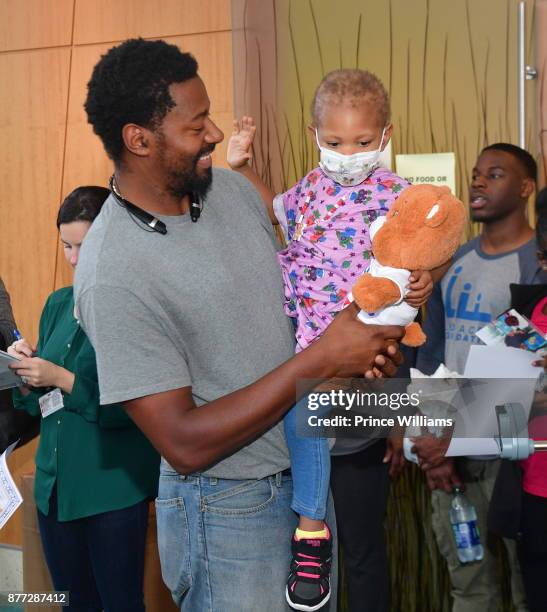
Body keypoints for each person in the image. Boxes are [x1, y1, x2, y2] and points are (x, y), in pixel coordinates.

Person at [75, 38, 405, 612]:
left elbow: (308, 292)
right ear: (139, 140)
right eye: (196, 123)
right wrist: (325, 357)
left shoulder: (228, 192)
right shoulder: (113, 273)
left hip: (309, 484)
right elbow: (181, 443)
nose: (215, 135)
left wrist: (367, 352)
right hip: (224, 511)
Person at [227, 69, 432, 611]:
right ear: (315, 135)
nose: (349, 153)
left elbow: (426, 255)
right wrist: (242, 167)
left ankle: (311, 531)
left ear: (385, 137)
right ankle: (312, 532)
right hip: (308, 338)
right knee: (303, 418)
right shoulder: (312, 188)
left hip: (365, 343)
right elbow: (277, 212)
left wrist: (425, 281)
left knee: (360, 528)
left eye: (363, 142)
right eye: (336, 142)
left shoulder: (399, 196)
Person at [8, 186, 160, 612]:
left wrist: (63, 378)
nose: (74, 258)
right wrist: (24, 376)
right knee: (72, 603)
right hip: (54, 488)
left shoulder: (136, 306)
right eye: (66, 246)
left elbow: (142, 409)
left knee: (121, 603)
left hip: (111, 489)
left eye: (83, 245)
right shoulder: (58, 303)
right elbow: (38, 407)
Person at [416, 143, 547, 612]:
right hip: (449, 450)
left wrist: (458, 438)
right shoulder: (452, 262)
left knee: (528, 583)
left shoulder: (539, 264)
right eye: (475, 174)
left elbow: (526, 372)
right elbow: (428, 355)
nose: (478, 182)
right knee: (469, 583)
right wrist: (429, 439)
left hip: (516, 453)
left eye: (495, 175)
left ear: (526, 188)